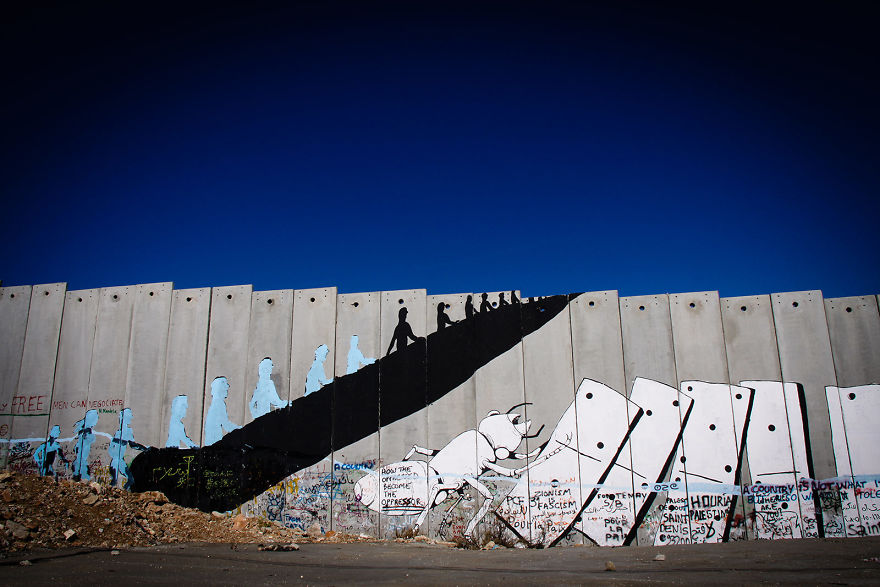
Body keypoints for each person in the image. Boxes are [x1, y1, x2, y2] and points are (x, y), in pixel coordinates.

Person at [109, 408, 147, 490]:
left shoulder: (118, 432)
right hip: (117, 461)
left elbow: (111, 448)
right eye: (129, 415)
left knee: (128, 480)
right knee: (120, 481)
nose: (131, 417)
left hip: (118, 460)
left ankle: (122, 494)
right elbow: (133, 445)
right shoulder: (127, 431)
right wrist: (145, 449)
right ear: (124, 417)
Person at [204, 376, 241, 446]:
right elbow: (226, 425)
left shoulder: (216, 402)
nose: (228, 387)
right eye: (226, 384)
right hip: (214, 439)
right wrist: (241, 429)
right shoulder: (219, 403)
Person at [72, 409, 99, 481]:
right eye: (96, 417)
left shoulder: (83, 431)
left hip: (79, 462)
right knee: (84, 481)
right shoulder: (87, 433)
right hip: (81, 463)